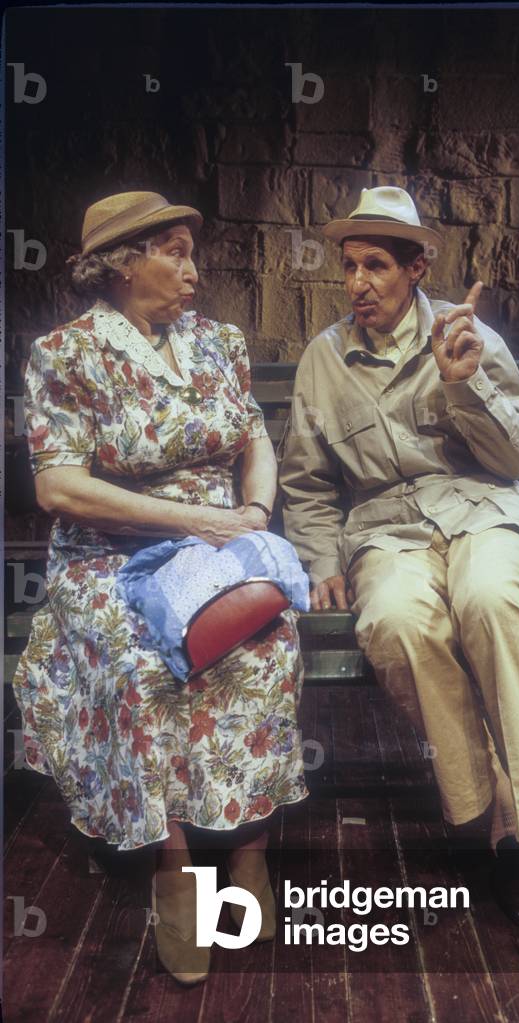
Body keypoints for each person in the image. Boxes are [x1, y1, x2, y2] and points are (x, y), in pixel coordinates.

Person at [278, 185, 519, 985]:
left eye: (377, 265)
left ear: (419, 267)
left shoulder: (469, 333)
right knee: (393, 621)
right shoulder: (324, 359)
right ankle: (495, 822)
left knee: (492, 601)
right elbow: (309, 486)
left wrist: (465, 385)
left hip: (481, 511)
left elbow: (516, 455)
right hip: (386, 533)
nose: (357, 281)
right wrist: (321, 560)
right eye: (349, 265)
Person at [12, 191, 309, 986]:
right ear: (120, 264)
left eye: (190, 251)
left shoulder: (217, 340)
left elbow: (255, 437)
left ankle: (249, 845)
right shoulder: (66, 354)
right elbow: (60, 488)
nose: (192, 269)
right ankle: (174, 865)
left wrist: (250, 513)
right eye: (173, 251)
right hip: (111, 555)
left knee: (265, 645)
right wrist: (191, 519)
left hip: (217, 545)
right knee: (145, 659)